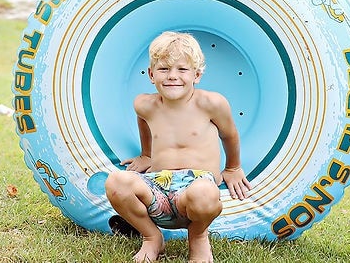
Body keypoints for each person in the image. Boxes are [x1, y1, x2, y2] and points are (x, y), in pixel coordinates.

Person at [104, 31, 250, 263]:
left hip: (196, 190)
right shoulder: (144, 104)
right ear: (151, 74)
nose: (173, 76)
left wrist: (233, 168)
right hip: (157, 187)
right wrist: (146, 155)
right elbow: (143, 121)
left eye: (182, 70)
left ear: (197, 75)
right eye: (164, 69)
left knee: (204, 192)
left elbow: (229, 135)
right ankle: (152, 237)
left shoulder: (211, 103)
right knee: (115, 182)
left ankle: (199, 236)